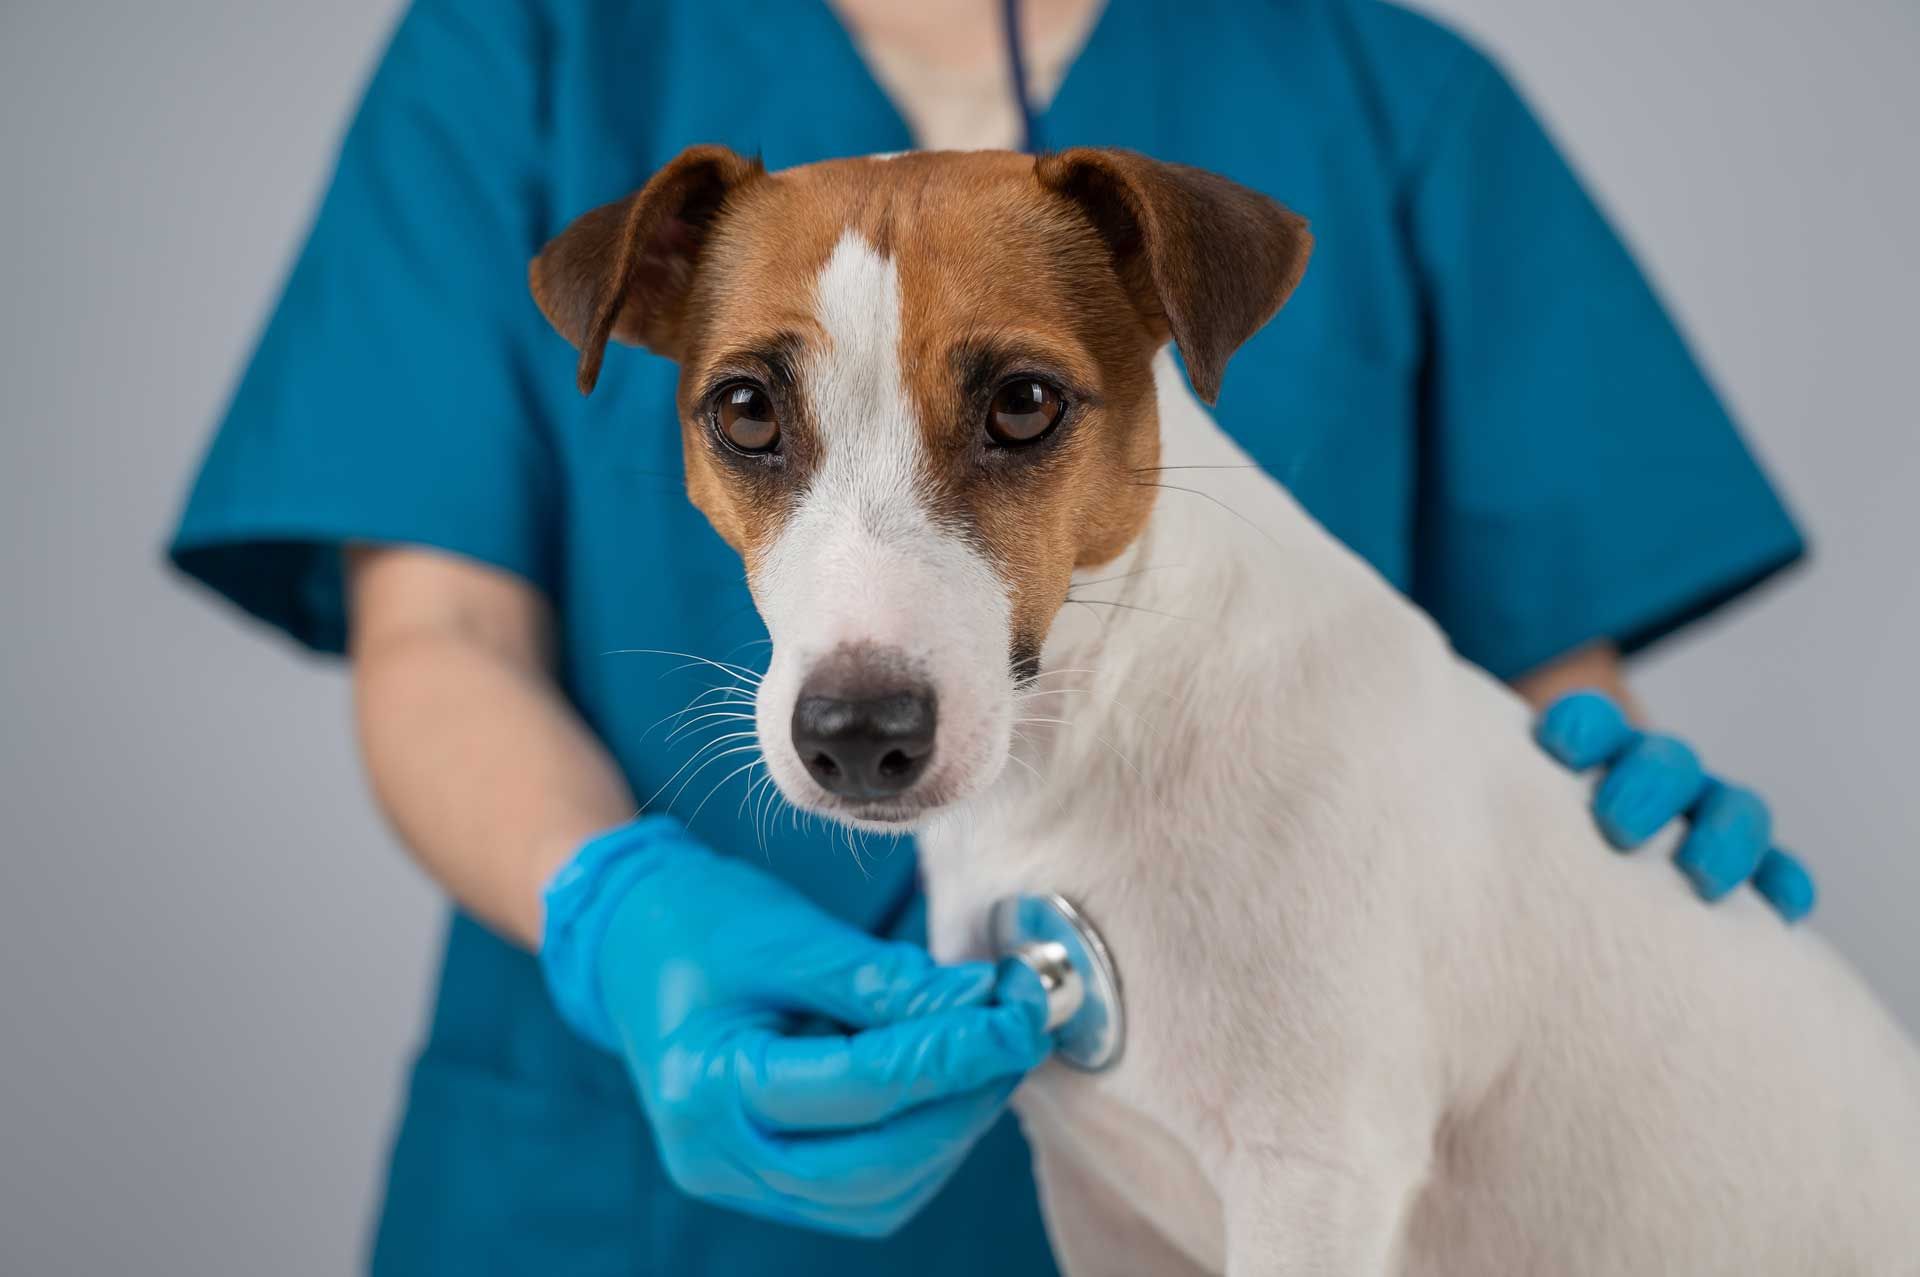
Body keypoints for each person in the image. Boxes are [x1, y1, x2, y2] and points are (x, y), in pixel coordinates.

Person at [168, 0, 1814, 1271]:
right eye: (752, 413)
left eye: (1020, 408)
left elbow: (1540, 671)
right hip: (622, 1210)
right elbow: (438, 627)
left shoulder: (1384, 92)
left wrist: (1605, 872)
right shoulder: (534, 49)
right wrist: (616, 910)